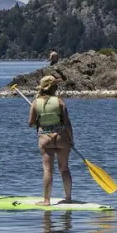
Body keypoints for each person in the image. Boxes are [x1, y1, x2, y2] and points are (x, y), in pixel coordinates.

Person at [28, 75, 74, 206]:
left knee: (48, 170)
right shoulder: (60, 101)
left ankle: (46, 200)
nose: (57, 87)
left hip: (45, 139)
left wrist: (39, 118)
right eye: (55, 85)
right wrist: (71, 140)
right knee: (64, 169)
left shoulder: (35, 103)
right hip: (61, 138)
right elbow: (67, 123)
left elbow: (30, 123)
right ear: (52, 87)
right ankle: (68, 198)